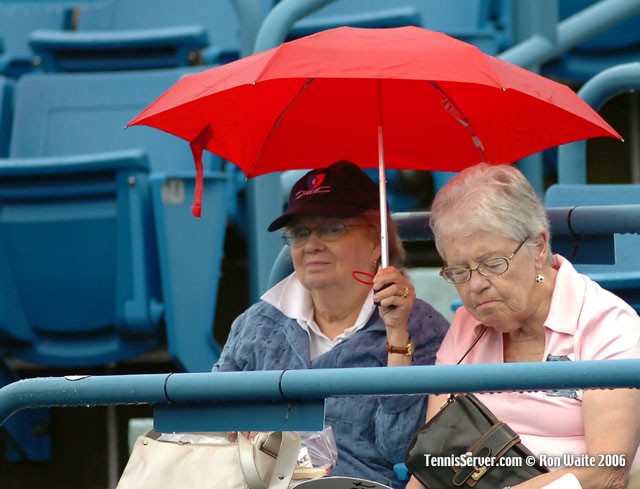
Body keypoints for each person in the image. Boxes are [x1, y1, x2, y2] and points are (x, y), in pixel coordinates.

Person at [214, 160, 449, 488]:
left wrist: (397, 336)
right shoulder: (256, 325)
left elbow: (401, 451)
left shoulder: (421, 328)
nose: (311, 244)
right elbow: (211, 422)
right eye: (299, 233)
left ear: (376, 241)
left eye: (331, 228)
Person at [406, 163, 640, 489]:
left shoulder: (606, 324)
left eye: (492, 264)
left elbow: (607, 474)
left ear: (538, 247)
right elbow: (434, 463)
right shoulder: (466, 326)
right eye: (459, 271)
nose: (475, 285)